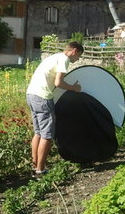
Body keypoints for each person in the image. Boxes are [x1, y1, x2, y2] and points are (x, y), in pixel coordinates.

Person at [26, 42, 84, 176]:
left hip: (31, 95)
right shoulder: (64, 59)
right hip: (43, 98)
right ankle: (40, 171)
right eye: (79, 56)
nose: (78, 59)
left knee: (38, 132)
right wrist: (74, 88)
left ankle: (35, 166)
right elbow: (58, 83)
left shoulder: (54, 57)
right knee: (47, 135)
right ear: (74, 51)